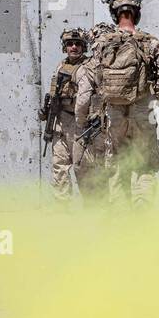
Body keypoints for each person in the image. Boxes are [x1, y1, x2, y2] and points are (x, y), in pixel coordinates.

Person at [76, 0, 159, 210]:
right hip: (143, 112)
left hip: (114, 114)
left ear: (114, 15)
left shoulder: (102, 44)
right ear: (136, 14)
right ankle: (141, 213)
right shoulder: (152, 43)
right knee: (144, 166)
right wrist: (154, 98)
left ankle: (121, 220)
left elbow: (94, 79)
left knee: (118, 165)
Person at [40, 27, 89, 205]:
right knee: (59, 167)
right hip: (60, 123)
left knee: (82, 168)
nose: (74, 47)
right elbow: (54, 93)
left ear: (84, 47)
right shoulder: (61, 66)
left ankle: (93, 208)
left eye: (77, 44)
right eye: (70, 44)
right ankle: (62, 208)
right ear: (65, 47)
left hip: (79, 124)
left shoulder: (86, 68)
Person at [71, 22, 114, 205]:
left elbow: (82, 101)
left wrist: (80, 124)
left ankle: (95, 208)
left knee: (85, 166)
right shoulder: (124, 64)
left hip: (96, 127)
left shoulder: (87, 67)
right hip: (122, 123)